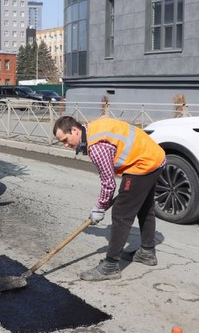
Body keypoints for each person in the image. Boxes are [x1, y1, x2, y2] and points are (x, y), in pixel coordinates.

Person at [53, 116, 166, 281]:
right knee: (144, 207)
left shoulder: (97, 146)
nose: (66, 144)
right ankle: (147, 252)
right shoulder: (93, 128)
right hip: (155, 157)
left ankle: (110, 266)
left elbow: (108, 184)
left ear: (75, 130)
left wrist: (99, 207)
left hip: (142, 164)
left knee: (121, 214)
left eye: (65, 139)